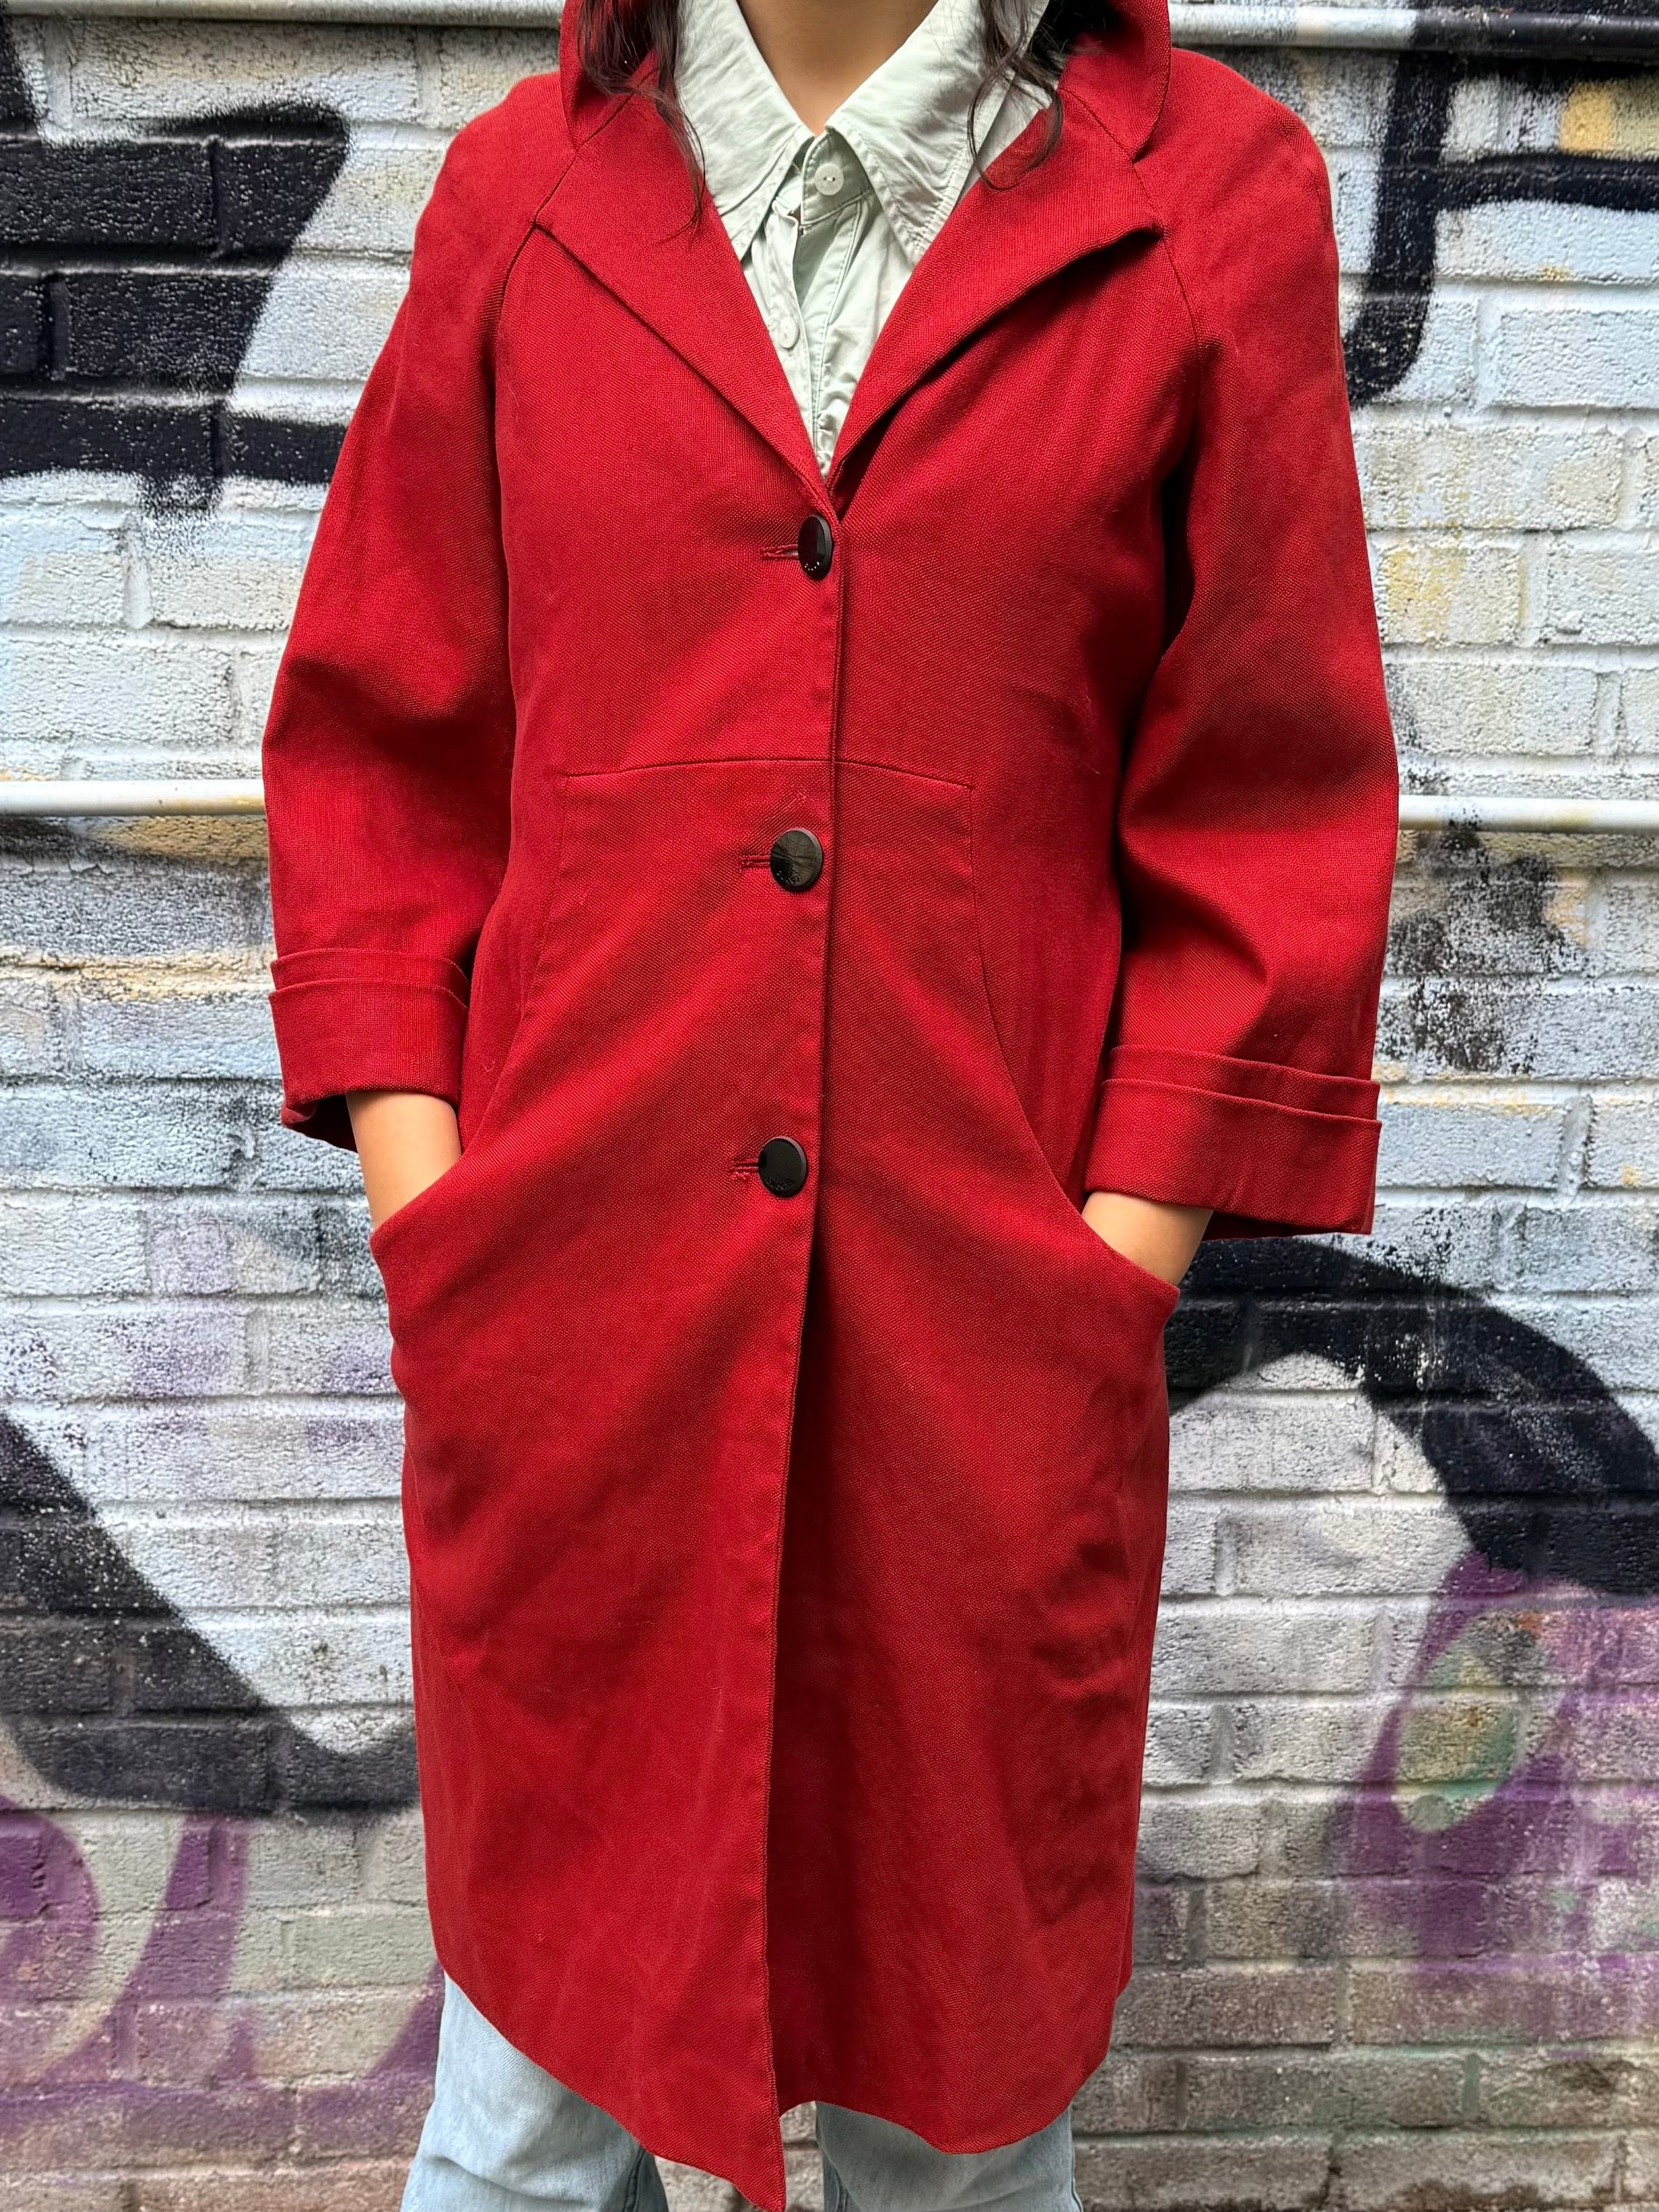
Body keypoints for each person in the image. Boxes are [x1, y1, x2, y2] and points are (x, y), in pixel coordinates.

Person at [260, 0, 1399, 2200]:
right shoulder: (524, 198)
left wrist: (1100, 1279)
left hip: (981, 1359)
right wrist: (439, 1224)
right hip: (575, 1337)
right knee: (525, 2114)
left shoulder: (1207, 198)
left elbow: (1267, 791)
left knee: (954, 2122)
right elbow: (383, 752)